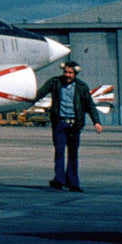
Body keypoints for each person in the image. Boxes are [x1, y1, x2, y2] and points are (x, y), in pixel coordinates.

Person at [34, 60, 102, 191]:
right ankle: (59, 180)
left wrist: (96, 122)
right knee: (59, 152)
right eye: (65, 72)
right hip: (59, 122)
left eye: (70, 73)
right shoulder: (55, 82)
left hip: (75, 124)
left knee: (73, 154)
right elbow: (40, 93)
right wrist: (25, 103)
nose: (67, 75)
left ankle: (73, 183)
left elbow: (90, 105)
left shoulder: (82, 87)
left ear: (75, 73)